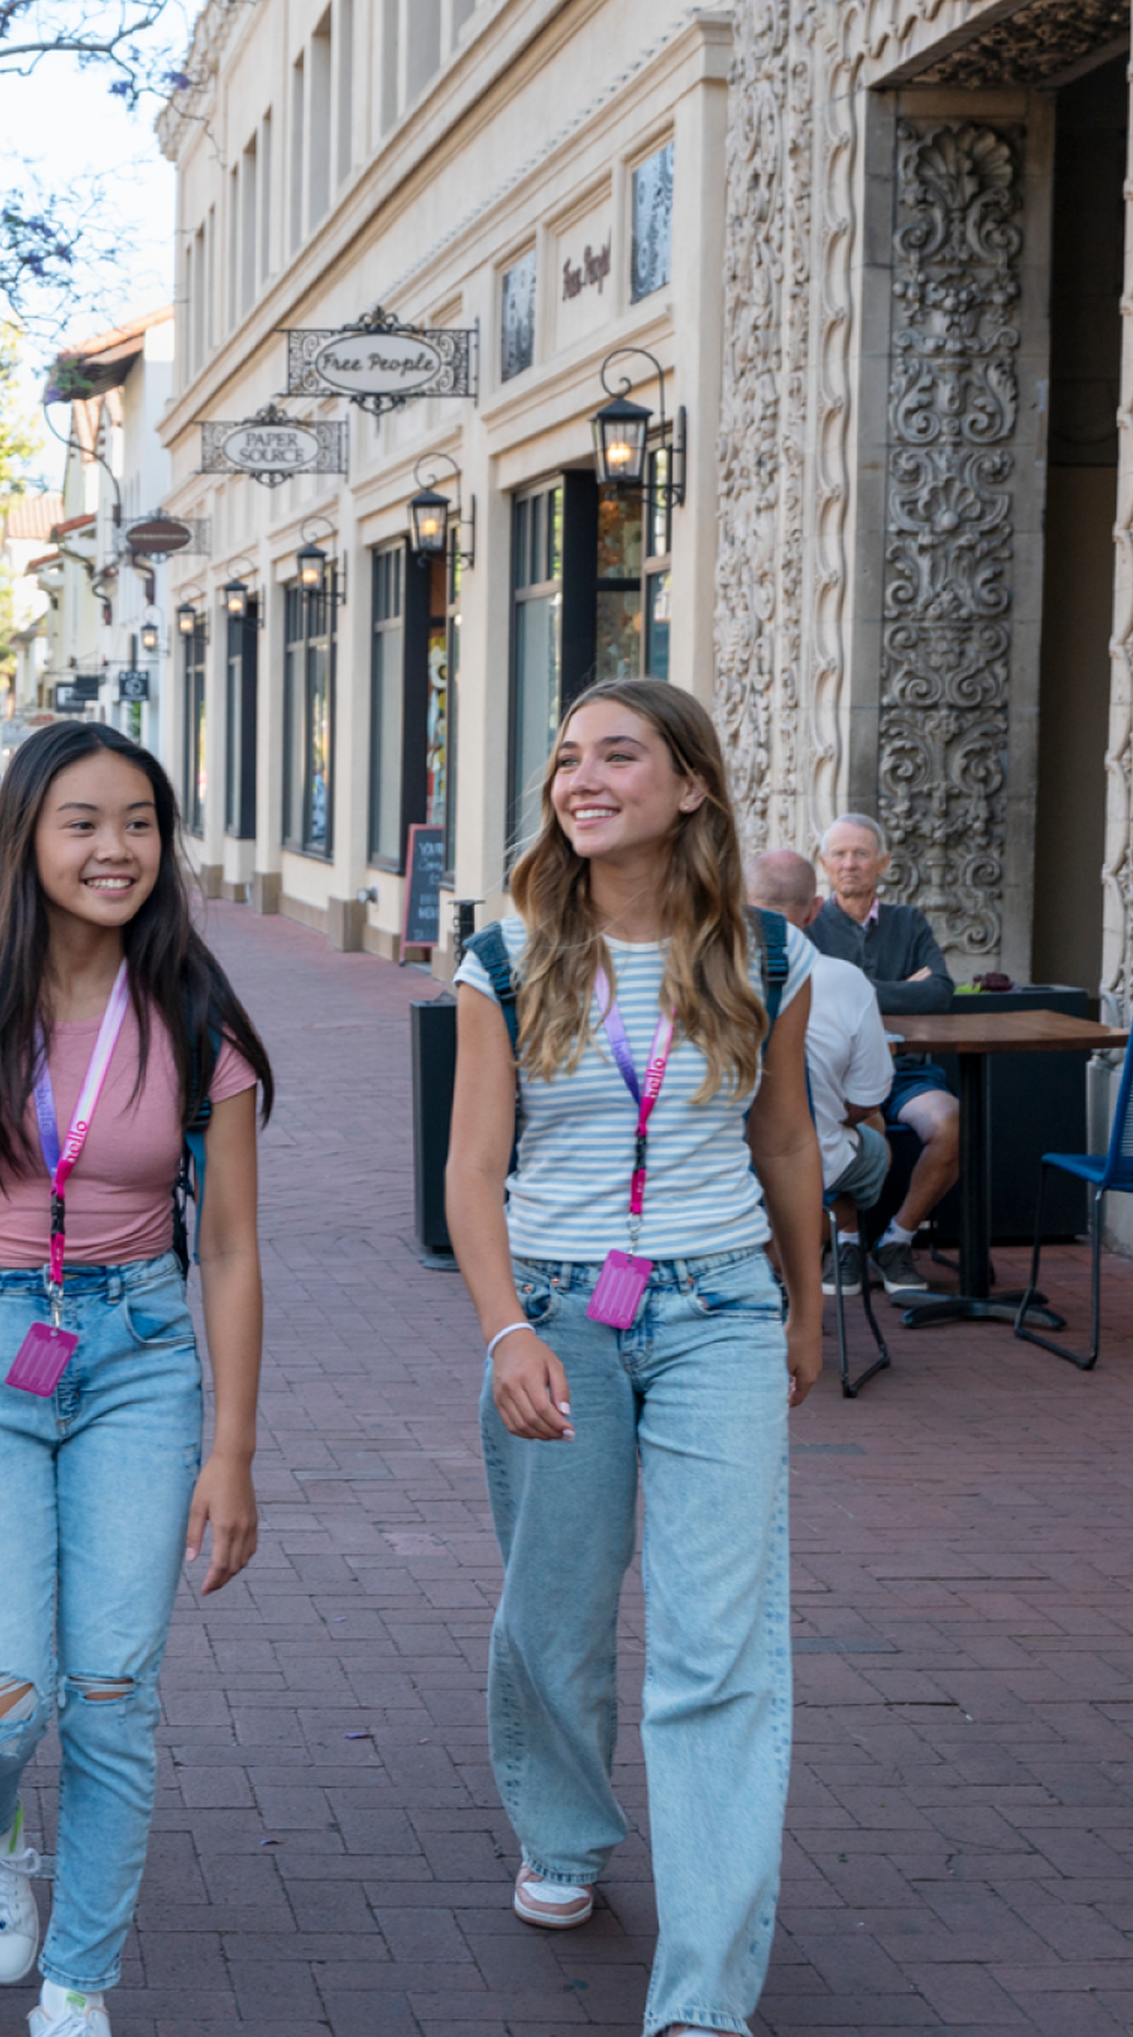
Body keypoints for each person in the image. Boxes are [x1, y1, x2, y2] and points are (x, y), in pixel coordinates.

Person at [0, 717, 271, 2037]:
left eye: (139, 823)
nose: (115, 848)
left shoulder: (194, 1016)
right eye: (84, 822)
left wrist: (233, 1453)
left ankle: (78, 1986)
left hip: (139, 1358)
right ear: (25, 837)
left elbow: (231, 1250)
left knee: (115, 1697)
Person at [441, 678, 823, 2037]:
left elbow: (786, 1141)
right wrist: (504, 1330)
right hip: (556, 1311)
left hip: (721, 1309)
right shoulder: (505, 960)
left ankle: (703, 2001)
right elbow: (471, 1172)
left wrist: (806, 1305)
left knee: (719, 1653)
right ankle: (563, 1825)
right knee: (554, 1613)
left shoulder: (771, 955)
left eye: (618, 754)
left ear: (692, 786)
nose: (582, 779)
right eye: (567, 759)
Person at [803, 814, 959, 1298]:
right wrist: (899, 989)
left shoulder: (908, 922)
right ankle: (847, 1243)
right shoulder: (810, 926)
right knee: (856, 1125)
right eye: (840, 854)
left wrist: (856, 988)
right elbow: (804, 991)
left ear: (884, 862)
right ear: (824, 864)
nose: (850, 863)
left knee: (951, 1122)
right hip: (840, 1078)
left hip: (907, 1072)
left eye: (861, 853)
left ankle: (897, 1241)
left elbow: (939, 992)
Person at [750, 848, 897, 1283]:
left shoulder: (702, 974)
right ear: (815, 910)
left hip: (719, 1166)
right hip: (809, 1159)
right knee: (874, 1131)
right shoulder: (846, 979)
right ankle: (804, 1251)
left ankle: (776, 1257)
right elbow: (865, 1101)